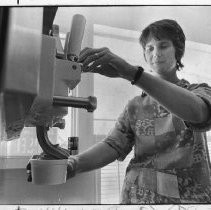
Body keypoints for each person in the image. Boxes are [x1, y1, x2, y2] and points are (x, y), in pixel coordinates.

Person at [66, 19, 211, 204]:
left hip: (190, 200)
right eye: (149, 48)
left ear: (178, 50)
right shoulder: (135, 106)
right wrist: (74, 164)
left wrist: (131, 73)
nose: (156, 53)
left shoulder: (199, 92)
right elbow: (112, 145)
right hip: (136, 199)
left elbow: (199, 113)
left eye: (163, 46)